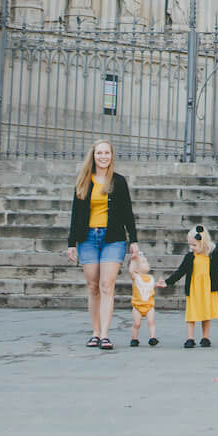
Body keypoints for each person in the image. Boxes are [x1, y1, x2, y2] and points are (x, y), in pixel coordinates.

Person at [64, 139, 139, 351]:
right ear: (93, 156)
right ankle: (95, 333)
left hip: (113, 238)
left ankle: (105, 335)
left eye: (107, 153)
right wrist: (71, 243)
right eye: (99, 153)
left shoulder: (119, 181)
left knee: (107, 285)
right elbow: (75, 213)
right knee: (93, 286)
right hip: (87, 238)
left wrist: (133, 240)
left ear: (111, 156)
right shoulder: (84, 181)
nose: (103, 156)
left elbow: (127, 213)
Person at [159, 223, 218, 348]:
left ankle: (205, 337)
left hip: (208, 289)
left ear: (203, 243)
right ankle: (190, 338)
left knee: (206, 314)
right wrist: (167, 282)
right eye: (190, 245)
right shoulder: (190, 257)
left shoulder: (213, 255)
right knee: (191, 314)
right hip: (194, 289)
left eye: (194, 245)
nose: (191, 247)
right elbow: (180, 271)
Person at [126, 250, 159, 348]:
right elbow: (131, 271)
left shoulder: (150, 278)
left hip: (149, 305)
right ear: (136, 269)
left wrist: (158, 284)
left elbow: (151, 286)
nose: (147, 263)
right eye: (144, 262)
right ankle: (134, 338)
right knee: (136, 323)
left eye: (146, 261)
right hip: (137, 306)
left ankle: (153, 337)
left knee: (151, 322)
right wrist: (133, 259)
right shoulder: (136, 277)